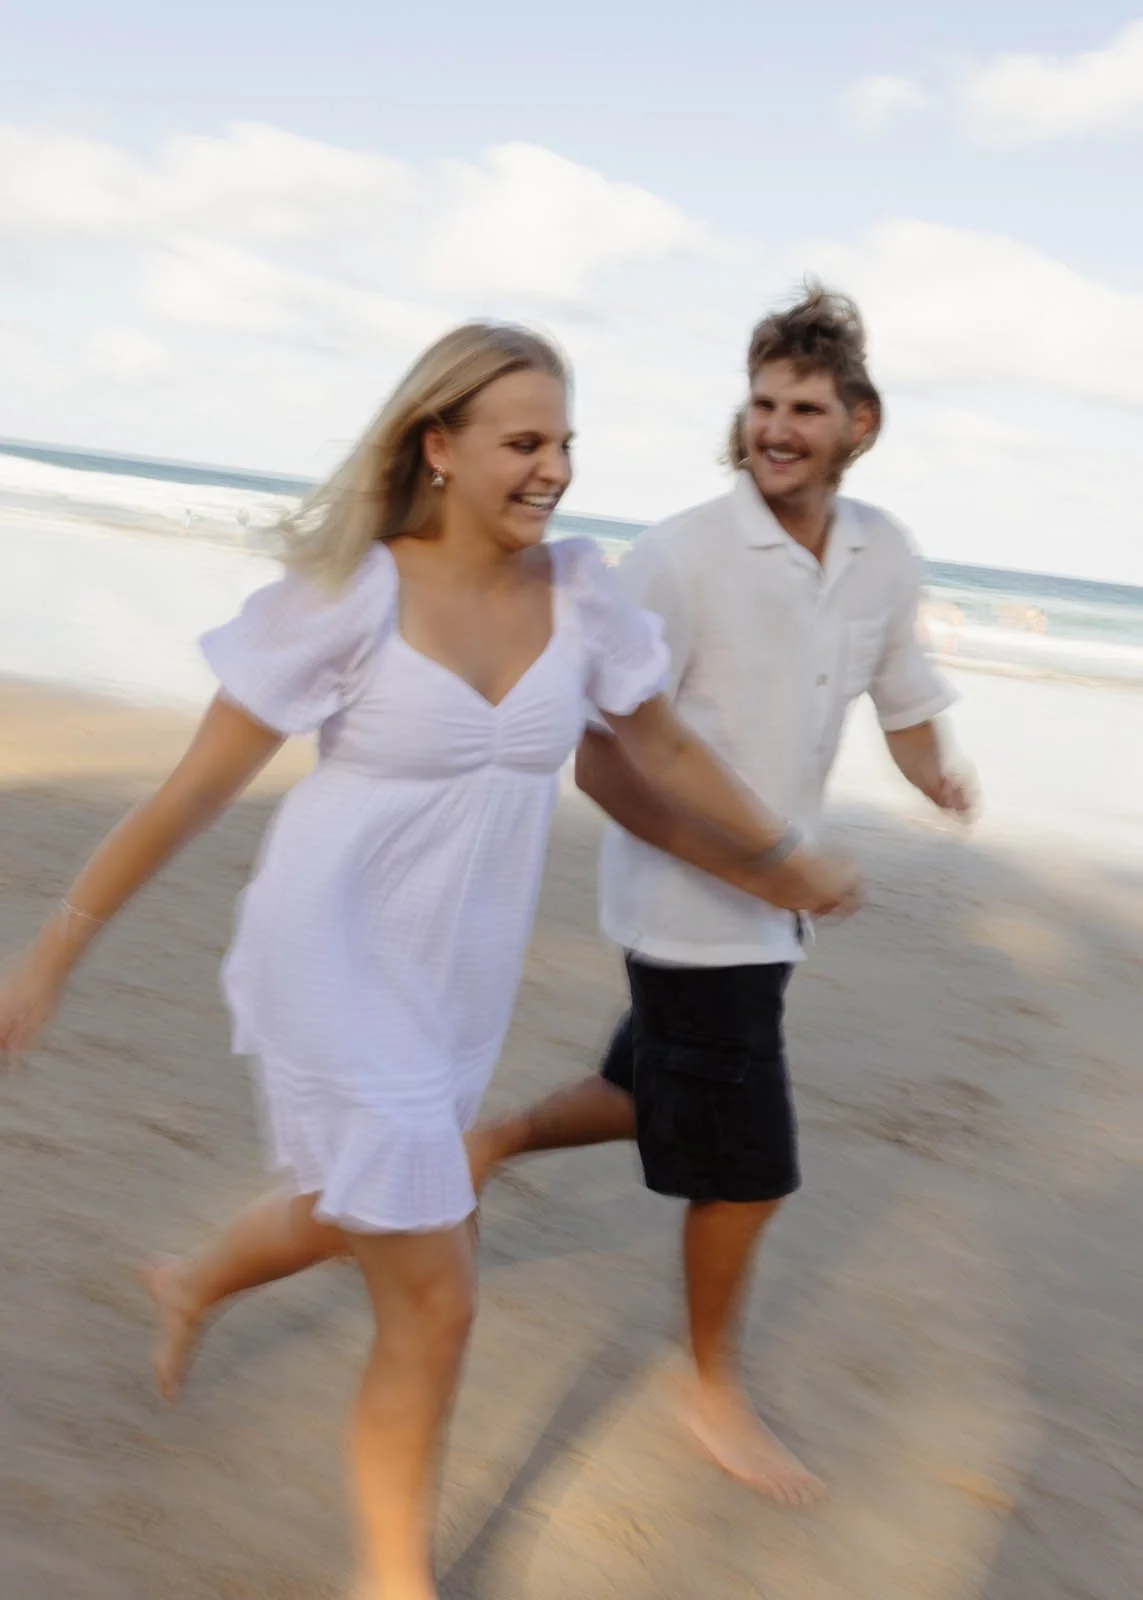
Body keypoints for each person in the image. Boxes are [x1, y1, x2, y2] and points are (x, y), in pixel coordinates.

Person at [0, 323, 859, 1600]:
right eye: (524, 441)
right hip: (329, 955)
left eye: (566, 441)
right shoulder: (353, 596)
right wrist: (52, 949)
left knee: (361, 1206)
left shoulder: (583, 594)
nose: (554, 467)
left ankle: (192, 1279)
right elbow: (187, 794)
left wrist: (778, 855)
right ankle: (392, 1580)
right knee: (436, 1292)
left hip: (452, 978)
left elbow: (663, 752)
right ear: (439, 446)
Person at [466, 287, 976, 1509]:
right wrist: (766, 868)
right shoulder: (680, 557)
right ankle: (710, 1387)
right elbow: (602, 756)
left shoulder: (882, 549)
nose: (776, 426)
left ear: (859, 421)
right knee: (747, 1170)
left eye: (805, 406)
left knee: (653, 1090)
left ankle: (481, 1142)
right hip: (688, 912)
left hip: (772, 906)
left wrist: (936, 776)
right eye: (760, 403)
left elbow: (900, 691)